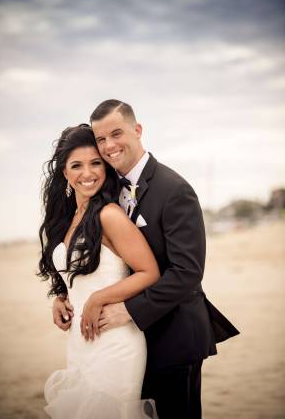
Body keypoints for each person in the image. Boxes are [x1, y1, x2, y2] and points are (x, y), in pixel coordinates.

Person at [53, 100, 239, 419]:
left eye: (117, 133)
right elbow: (99, 259)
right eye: (101, 139)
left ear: (137, 130)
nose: (109, 145)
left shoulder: (174, 190)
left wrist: (127, 310)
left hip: (173, 336)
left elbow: (187, 273)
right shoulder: (107, 189)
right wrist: (62, 294)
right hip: (127, 341)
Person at [38, 124, 160, 418]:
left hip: (116, 341)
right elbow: (76, 276)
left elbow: (149, 272)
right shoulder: (68, 219)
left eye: (96, 163)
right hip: (81, 343)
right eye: (76, 165)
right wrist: (61, 297)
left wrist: (96, 299)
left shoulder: (109, 215)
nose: (88, 173)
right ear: (65, 173)